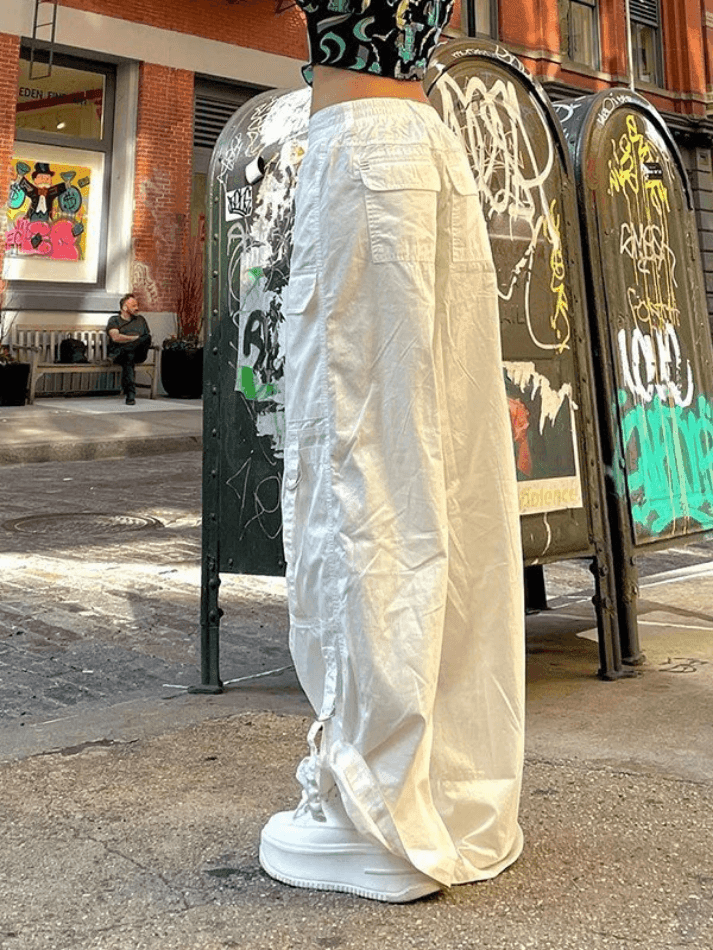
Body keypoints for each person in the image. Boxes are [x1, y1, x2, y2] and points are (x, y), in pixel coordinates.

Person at [259, 0, 525, 903]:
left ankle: (367, 809)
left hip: (363, 153)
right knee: (445, 474)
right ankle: (443, 786)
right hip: (429, 148)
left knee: (358, 472)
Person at [106, 294, 151, 405]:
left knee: (146, 337)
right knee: (129, 356)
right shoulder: (114, 320)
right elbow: (115, 337)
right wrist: (134, 338)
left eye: (137, 305)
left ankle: (125, 350)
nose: (137, 308)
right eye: (133, 305)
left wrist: (130, 342)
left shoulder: (140, 320)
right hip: (121, 356)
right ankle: (130, 394)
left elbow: (145, 339)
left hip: (138, 353)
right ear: (125, 308)